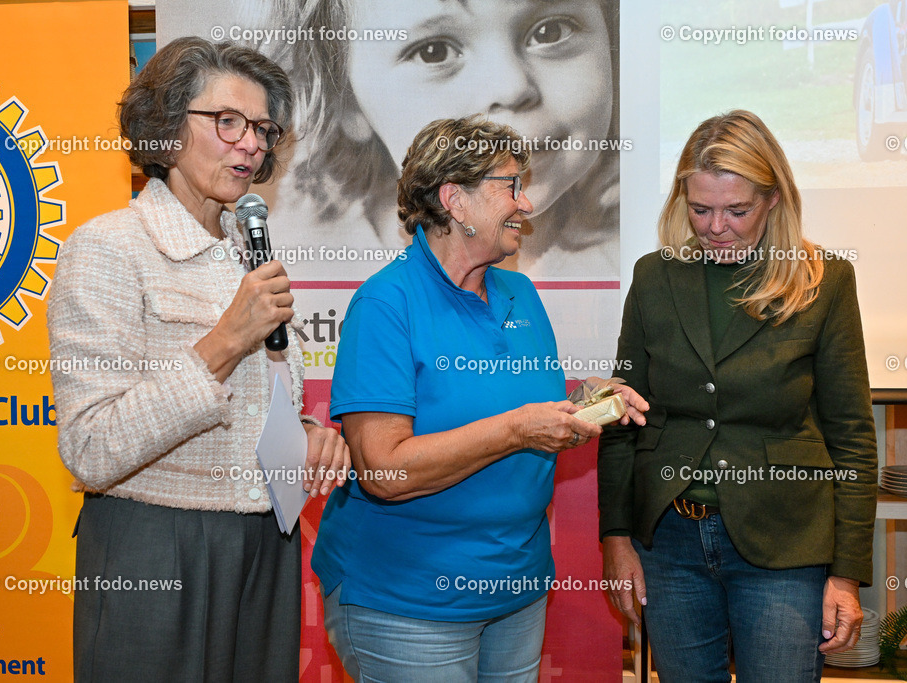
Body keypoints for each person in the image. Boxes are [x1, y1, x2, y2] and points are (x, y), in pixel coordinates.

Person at [47, 37, 349, 681]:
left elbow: (255, 412)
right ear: (163, 126)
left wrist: (304, 436)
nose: (251, 144)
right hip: (154, 548)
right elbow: (91, 446)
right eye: (228, 122)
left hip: (268, 540)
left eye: (263, 129)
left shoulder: (246, 250)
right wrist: (223, 342)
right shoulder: (107, 248)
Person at [310, 114, 648, 682]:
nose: (527, 202)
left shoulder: (518, 291)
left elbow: (520, 402)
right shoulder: (387, 304)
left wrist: (586, 401)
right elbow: (384, 471)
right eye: (511, 186)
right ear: (455, 201)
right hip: (408, 599)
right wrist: (517, 429)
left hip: (517, 589)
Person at [598, 110, 878, 682]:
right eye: (700, 209)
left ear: (773, 200)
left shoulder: (825, 281)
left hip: (784, 544)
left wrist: (846, 574)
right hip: (669, 540)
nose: (715, 226)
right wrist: (616, 538)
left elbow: (852, 436)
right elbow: (622, 414)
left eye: (736, 210)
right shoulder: (656, 276)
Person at [268, 0, 620, 279]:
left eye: (550, 31)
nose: (511, 87)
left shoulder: (636, 254)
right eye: (433, 52)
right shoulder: (298, 271)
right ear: (345, 100)